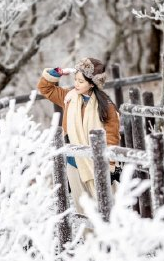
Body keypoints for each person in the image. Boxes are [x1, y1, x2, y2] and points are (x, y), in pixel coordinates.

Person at [37, 57, 120, 215]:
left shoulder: (106, 107)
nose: (76, 84)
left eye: (81, 81)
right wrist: (57, 72)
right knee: (82, 208)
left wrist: (108, 165)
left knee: (107, 206)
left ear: (92, 83)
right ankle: (89, 239)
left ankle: (110, 237)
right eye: (75, 80)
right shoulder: (69, 98)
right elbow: (45, 88)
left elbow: (112, 137)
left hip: (97, 164)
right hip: (73, 162)